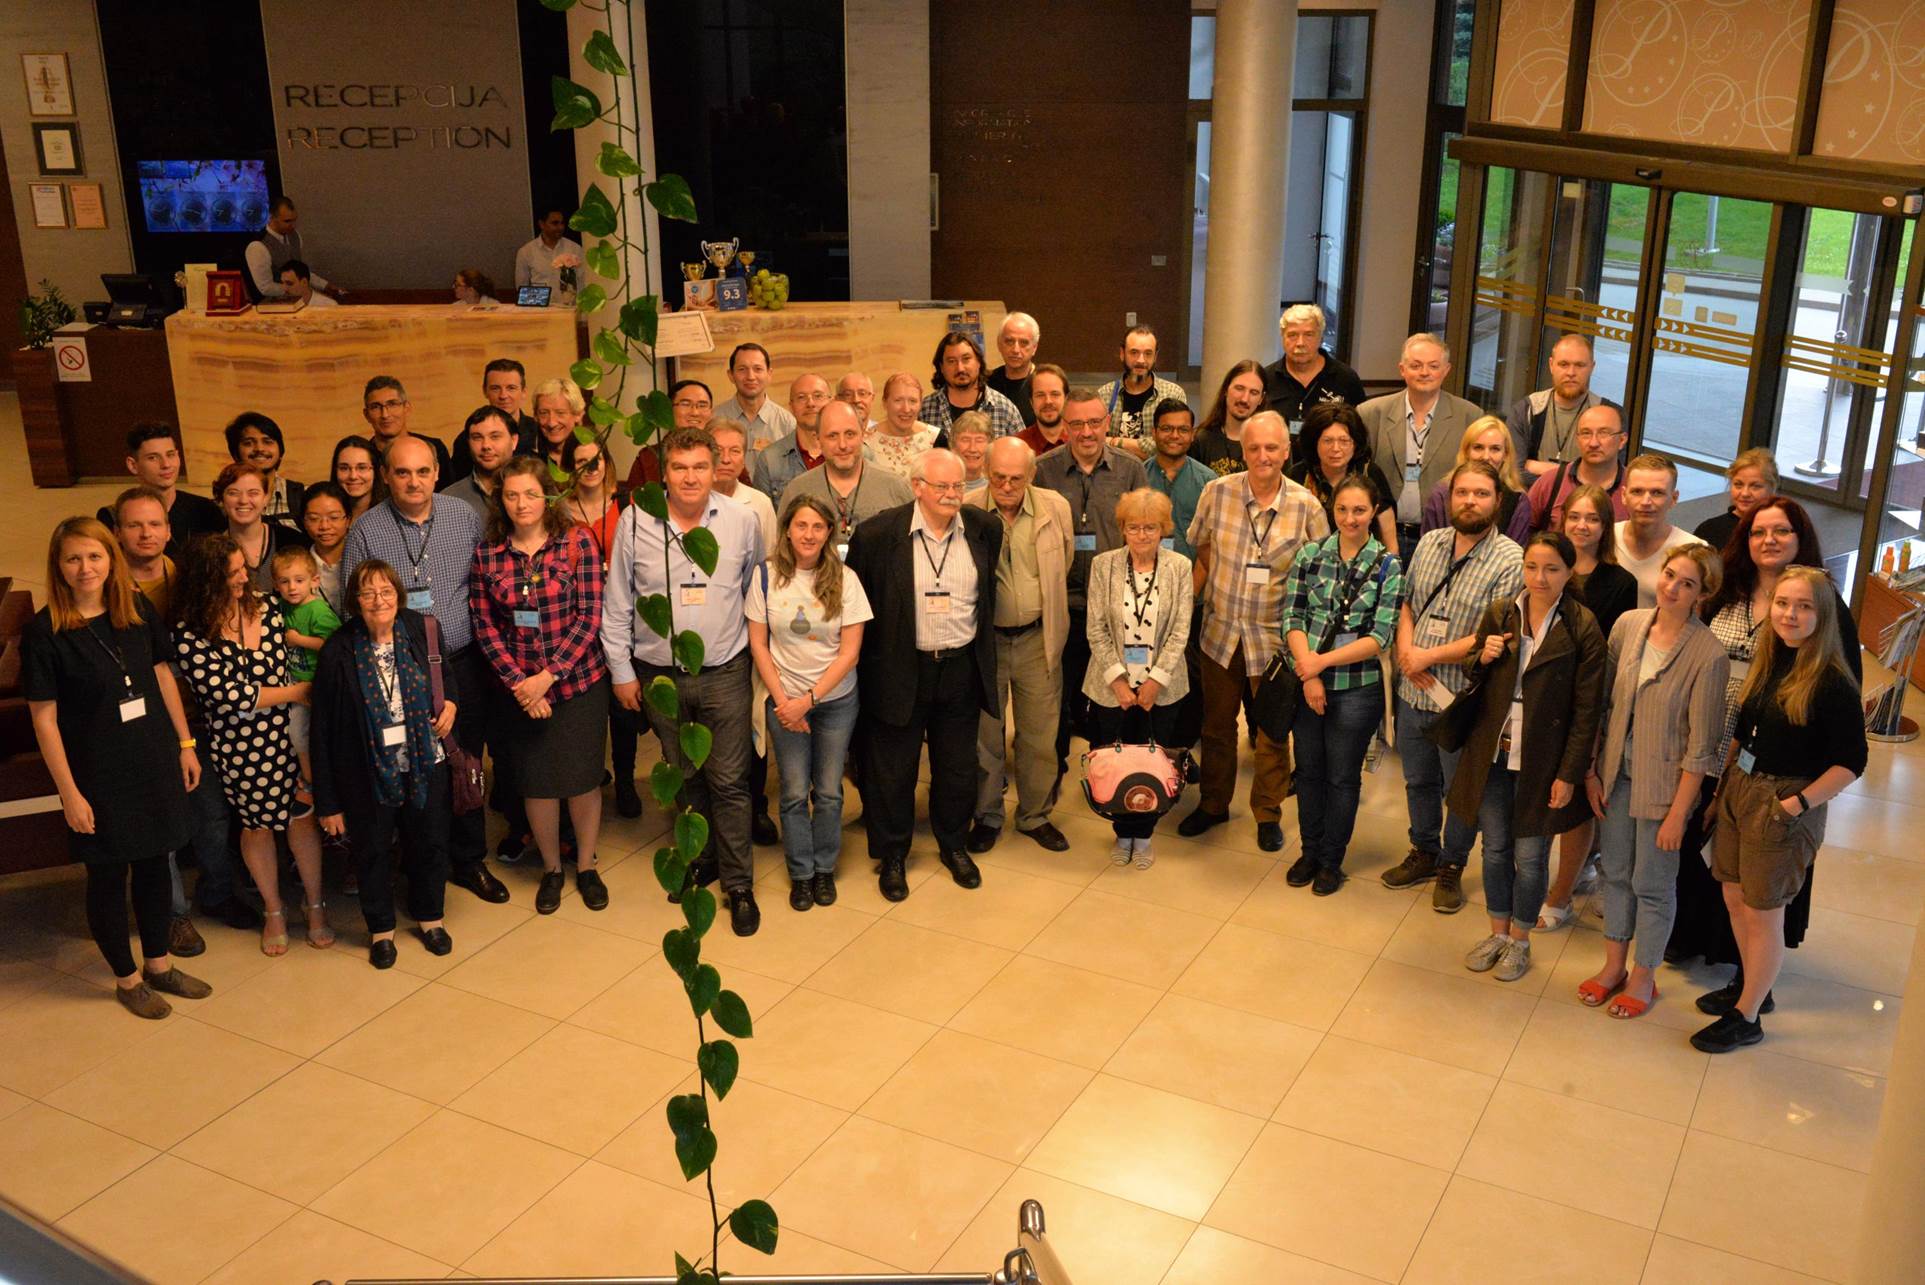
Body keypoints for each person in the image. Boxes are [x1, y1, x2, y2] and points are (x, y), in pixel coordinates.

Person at [1669, 497, 1862, 983]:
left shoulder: (1824, 606)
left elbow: (1847, 737)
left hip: (1787, 776)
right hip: (1723, 750)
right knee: (1712, 857)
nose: (1768, 541)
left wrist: (1798, 803)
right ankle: (1698, 940)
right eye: (1758, 532)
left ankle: (1750, 979)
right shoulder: (1726, 591)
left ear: (1801, 540)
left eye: (1781, 532)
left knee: (1762, 885)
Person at [25, 518, 206, 1018]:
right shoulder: (46, 631)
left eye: (95, 557)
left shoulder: (135, 609)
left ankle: (159, 965)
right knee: (107, 877)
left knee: (153, 865)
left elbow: (162, 676)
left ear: (111, 559)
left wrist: (185, 744)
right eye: (73, 559)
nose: (85, 568)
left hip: (151, 760)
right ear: (58, 567)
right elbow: (44, 720)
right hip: (96, 776)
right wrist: (69, 793)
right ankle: (127, 981)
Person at [1695, 566, 1866, 1052]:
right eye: (1783, 603)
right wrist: (1722, 790)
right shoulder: (1773, 660)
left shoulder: (1832, 681)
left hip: (1784, 803)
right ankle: (1754, 986)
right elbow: (1746, 732)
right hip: (1740, 789)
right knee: (1733, 896)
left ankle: (1746, 1015)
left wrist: (1796, 805)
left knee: (1763, 911)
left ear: (1823, 615)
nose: (1790, 614)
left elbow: (1852, 763)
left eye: (1804, 606)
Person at [603, 426, 767, 933]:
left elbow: (753, 595)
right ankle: (704, 857)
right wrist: (622, 672)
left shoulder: (742, 521)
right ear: (663, 472)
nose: (690, 477)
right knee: (684, 776)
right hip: (658, 677)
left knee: (729, 781)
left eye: (700, 466)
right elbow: (618, 603)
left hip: (725, 670)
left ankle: (739, 884)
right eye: (679, 467)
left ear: (718, 467)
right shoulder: (635, 522)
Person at [340, 435, 506, 905]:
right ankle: (419, 867)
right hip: (400, 670)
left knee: (467, 761)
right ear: (386, 475)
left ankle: (470, 860)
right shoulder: (367, 530)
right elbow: (353, 605)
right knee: (417, 767)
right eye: (402, 472)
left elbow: (484, 582)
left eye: (422, 471)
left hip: (462, 664)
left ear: (437, 473)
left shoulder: (464, 517)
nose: (413, 482)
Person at [1449, 532, 1608, 980]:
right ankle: (1497, 932)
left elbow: (1587, 709)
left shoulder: (1581, 625)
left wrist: (1570, 773)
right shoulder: (1502, 611)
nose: (1540, 577)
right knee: (1495, 847)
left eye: (1552, 568)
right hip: (1494, 752)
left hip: (1543, 759)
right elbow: (1471, 671)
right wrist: (1483, 655)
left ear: (1569, 571)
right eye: (1532, 567)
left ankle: (1520, 939)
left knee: (1532, 855)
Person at [844, 449, 1001, 900]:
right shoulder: (877, 535)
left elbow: (985, 597)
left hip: (960, 668)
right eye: (942, 487)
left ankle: (953, 844)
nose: (953, 495)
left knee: (957, 768)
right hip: (899, 668)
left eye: (959, 486)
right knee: (893, 769)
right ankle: (892, 855)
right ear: (917, 487)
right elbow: (857, 605)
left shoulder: (984, 529)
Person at [1581, 543, 1728, 1019]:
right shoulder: (1628, 626)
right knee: (1616, 874)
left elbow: (1701, 747)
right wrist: (1591, 771)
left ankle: (1645, 976)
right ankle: (1613, 967)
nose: (1672, 587)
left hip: (1665, 791)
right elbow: (1601, 707)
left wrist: (1680, 814)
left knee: (1653, 884)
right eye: (1669, 575)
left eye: (1687, 583)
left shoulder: (1709, 655)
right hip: (1615, 777)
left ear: (1702, 594)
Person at [173, 534, 332, 954]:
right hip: (241, 745)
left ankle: (315, 904)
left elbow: (304, 651)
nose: (245, 577)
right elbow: (230, 695)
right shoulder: (190, 631)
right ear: (207, 580)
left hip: (292, 735)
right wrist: (297, 691)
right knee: (257, 826)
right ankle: (274, 909)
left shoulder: (268, 606)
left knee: (303, 818)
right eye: (233, 573)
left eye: (243, 567)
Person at [1180, 411, 1329, 848]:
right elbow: (1203, 552)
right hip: (1220, 633)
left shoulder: (1306, 506)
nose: (1262, 456)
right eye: (1253, 448)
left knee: (1272, 734)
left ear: (1287, 451)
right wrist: (1185, 606)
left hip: (1275, 642)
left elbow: (1318, 579)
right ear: (1242, 451)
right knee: (1216, 727)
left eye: (1272, 448)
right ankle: (1212, 804)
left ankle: (1268, 811)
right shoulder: (1216, 492)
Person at [1380, 460, 1525, 911]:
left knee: (1459, 790)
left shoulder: (1510, 559)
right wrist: (1406, 650)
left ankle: (1452, 864)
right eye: (1463, 492)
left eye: (1481, 494)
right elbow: (1406, 602)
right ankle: (1424, 850)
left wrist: (1427, 655)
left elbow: (1495, 634)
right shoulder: (1429, 542)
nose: (1470, 501)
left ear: (1498, 502)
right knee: (1417, 779)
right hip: (1413, 688)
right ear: (1449, 497)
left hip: (1462, 698)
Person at [472, 457, 612, 915]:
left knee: (582, 780)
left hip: (577, 684)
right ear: (501, 501)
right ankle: (552, 868)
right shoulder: (488, 552)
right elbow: (485, 625)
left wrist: (547, 677)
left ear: (547, 496)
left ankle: (587, 865)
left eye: (530, 493)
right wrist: (520, 684)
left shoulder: (575, 542)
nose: (521, 503)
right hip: (521, 693)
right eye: (511, 495)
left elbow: (591, 615)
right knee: (538, 784)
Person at [311, 559, 457, 968]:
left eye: (387, 591)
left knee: (429, 843)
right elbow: (321, 730)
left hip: (426, 762)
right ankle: (381, 930)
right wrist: (328, 802)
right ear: (355, 601)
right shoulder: (339, 649)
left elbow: (449, 677)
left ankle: (431, 918)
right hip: (365, 773)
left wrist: (453, 705)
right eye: (368, 593)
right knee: (372, 851)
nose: (379, 600)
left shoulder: (421, 630)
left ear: (399, 595)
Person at [747, 494, 873, 910]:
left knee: (831, 792)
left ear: (828, 533)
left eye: (818, 527)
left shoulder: (845, 578)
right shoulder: (766, 577)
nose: (809, 534)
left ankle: (824, 870)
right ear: (787, 530)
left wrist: (810, 699)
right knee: (795, 791)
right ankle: (801, 873)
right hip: (783, 701)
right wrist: (786, 701)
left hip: (836, 702)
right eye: (801, 525)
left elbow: (849, 652)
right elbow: (759, 646)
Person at [1282, 476, 1403, 895]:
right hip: (1308, 681)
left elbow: (1381, 635)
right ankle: (1310, 851)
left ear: (1373, 512)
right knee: (1309, 772)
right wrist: (1310, 672)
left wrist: (1321, 663)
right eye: (1342, 510)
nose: (1350, 518)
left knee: (1342, 777)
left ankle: (1332, 859)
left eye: (1360, 510)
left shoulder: (1388, 565)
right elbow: (1291, 618)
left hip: (1357, 688)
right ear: (1331, 510)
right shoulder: (1311, 555)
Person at [1035, 387, 1150, 804]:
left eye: (1094, 422)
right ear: (1065, 427)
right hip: (1059, 604)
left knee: (1109, 697)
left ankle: (1107, 777)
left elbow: (1143, 534)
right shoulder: (1041, 470)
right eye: (1077, 423)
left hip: (1111, 608)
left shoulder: (1131, 470)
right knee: (1056, 699)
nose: (1086, 432)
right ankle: (1051, 777)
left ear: (1108, 423)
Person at [1535, 484, 1640, 929]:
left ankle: (1560, 895)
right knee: (1539, 796)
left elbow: (1610, 653)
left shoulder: (1620, 583)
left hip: (1586, 699)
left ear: (1605, 526)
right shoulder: (1547, 567)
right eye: (1574, 517)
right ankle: (1539, 881)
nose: (1582, 525)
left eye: (1592, 519)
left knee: (1575, 800)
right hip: (1539, 698)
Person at [967, 437, 1073, 853]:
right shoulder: (968, 509)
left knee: (1039, 737)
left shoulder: (1055, 509)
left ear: (1031, 476)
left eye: (1015, 478)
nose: (1006, 486)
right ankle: (987, 816)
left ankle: (1034, 816)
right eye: (998, 478)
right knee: (985, 738)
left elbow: (1062, 563)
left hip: (1037, 640)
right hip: (985, 643)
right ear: (986, 474)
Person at [1083, 489, 1193, 867]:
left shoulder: (1179, 567)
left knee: (1152, 764)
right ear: (1122, 529)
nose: (1142, 535)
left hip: (1161, 688)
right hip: (1110, 685)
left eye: (1150, 527)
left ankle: (1144, 836)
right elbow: (1095, 628)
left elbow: (1181, 631)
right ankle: (1121, 830)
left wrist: (1154, 681)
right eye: (1134, 527)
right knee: (1116, 764)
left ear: (1163, 529)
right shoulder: (1104, 566)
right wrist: (1117, 680)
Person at [1361, 333, 1491, 553]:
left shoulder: (1470, 416)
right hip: (1380, 536)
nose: (1424, 373)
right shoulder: (1370, 413)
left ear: (1446, 370)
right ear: (1402, 369)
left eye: (1433, 366)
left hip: (1442, 538)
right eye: (1416, 365)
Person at [779, 401, 912, 558]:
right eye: (832, 436)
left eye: (850, 434)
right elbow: (782, 553)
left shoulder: (895, 487)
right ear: (818, 439)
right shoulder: (797, 490)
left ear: (863, 433)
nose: (842, 445)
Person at [273, 545, 342, 802]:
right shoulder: (282, 606)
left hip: (318, 683)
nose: (292, 587)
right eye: (285, 581)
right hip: (294, 681)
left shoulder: (318, 610)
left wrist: (300, 639)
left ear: (314, 581)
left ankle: (313, 781)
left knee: (301, 733)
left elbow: (334, 645)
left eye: (299, 581)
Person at [97, 423, 225, 556]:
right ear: (133, 465)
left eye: (170, 455)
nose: (166, 464)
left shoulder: (205, 510)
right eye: (153, 458)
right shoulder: (114, 516)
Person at [1287, 403, 1398, 554]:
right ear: (1314, 443)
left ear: (1355, 443)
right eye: (1327, 441)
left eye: (1344, 441)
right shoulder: (1298, 475)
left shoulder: (1369, 473)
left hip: (1365, 565)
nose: (1336, 449)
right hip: (1310, 564)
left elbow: (1390, 542)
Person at [1506, 334, 1618, 476]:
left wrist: (1536, 466)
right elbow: (1514, 475)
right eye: (1564, 364)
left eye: (1579, 365)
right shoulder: (1526, 410)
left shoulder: (1610, 416)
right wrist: (1578, 475)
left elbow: (1608, 477)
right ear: (1551, 365)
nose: (1571, 373)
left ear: (1592, 367)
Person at [1420, 414, 1535, 543]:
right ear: (1466, 451)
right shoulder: (1441, 494)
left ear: (1506, 455)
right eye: (1478, 447)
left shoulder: (1518, 501)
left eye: (1495, 449)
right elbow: (1430, 547)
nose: (1486, 456)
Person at [1614, 454, 1707, 606]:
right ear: (1624, 495)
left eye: (1657, 493)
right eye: (1637, 491)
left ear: (1674, 498)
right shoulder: (1605, 538)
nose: (1646, 502)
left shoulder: (1694, 551)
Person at [1262, 304, 1367, 438]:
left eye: (1309, 335)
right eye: (1292, 335)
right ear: (1283, 339)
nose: (1300, 343)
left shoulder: (1345, 378)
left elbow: (1359, 432)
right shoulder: (1267, 379)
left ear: (1321, 339)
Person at [1523, 403, 1629, 533]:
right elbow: (1521, 534)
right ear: (1577, 439)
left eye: (1603, 433)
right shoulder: (1550, 483)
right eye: (1586, 433)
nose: (1593, 443)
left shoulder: (1634, 488)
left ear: (1622, 440)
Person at [216, 462, 308, 594]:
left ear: (266, 498)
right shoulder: (212, 551)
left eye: (253, 493)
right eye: (233, 493)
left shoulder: (293, 540)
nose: (243, 500)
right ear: (221, 499)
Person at [1095, 325, 1186, 456]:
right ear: (1122, 354)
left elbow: (1171, 445)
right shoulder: (1105, 395)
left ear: (1155, 356)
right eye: (1134, 353)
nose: (1141, 360)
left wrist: (1115, 442)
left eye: (1148, 353)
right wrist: (1147, 445)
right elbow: (1095, 442)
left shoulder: (1173, 394)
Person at [920, 331, 1024, 440]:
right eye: (951, 361)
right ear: (941, 367)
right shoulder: (925, 410)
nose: (960, 368)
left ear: (979, 362)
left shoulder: (1005, 409)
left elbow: (1023, 453)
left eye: (966, 359)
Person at [1144, 401, 1216, 559]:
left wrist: (1192, 584)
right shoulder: (1139, 477)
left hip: (1193, 576)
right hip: (1144, 575)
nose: (1174, 435)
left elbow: (1211, 545)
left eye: (1183, 430)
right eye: (1166, 429)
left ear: (1192, 435)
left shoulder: (1209, 482)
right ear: (1154, 432)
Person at [449, 359, 540, 480]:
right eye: (495, 388)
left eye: (511, 388)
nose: (503, 396)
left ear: (523, 392)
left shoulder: (539, 433)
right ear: (485, 391)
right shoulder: (466, 440)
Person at [751, 373, 834, 497]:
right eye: (801, 397)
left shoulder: (852, 453)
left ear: (831, 402)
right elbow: (763, 514)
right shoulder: (769, 459)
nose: (810, 403)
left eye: (818, 396)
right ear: (791, 407)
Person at [625, 379, 717, 489]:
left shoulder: (724, 452)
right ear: (668, 409)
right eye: (686, 404)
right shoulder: (649, 457)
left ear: (711, 412)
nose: (695, 412)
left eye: (702, 405)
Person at [244, 195, 336, 302]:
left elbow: (301, 273)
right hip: (271, 305)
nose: (293, 225)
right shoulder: (258, 246)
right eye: (287, 221)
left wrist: (325, 286)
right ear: (271, 218)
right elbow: (265, 288)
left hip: (297, 300)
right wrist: (301, 290)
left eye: (294, 220)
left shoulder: (295, 236)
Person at [362, 376, 452, 479]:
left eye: (392, 404)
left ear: (406, 408)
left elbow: (449, 493)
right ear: (366, 415)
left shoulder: (434, 448)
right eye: (376, 407)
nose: (385, 415)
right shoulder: (362, 458)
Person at [1694, 447, 1779, 553]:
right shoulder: (1709, 530)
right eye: (1738, 485)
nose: (1745, 493)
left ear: (1772, 488)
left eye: (1755, 486)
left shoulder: (1783, 531)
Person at [444, 405, 520, 522]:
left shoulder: (537, 491)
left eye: (495, 436)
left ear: (514, 441)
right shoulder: (449, 499)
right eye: (477, 438)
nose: (486, 446)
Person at [1191, 360, 1266, 477]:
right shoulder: (1201, 440)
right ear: (1226, 389)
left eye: (1254, 392)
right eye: (1239, 388)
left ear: (1261, 398)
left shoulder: (1269, 443)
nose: (1244, 399)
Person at [718, 342, 797, 453]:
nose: (750, 376)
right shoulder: (715, 418)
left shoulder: (787, 423)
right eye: (742, 369)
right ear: (731, 375)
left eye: (758, 369)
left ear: (769, 374)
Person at [222, 411, 300, 521]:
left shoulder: (301, 496)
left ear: (281, 450)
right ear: (235, 453)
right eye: (248, 443)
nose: (259, 449)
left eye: (267, 441)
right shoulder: (223, 502)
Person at [866, 373, 940, 480]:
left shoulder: (936, 439)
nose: (906, 409)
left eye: (913, 401)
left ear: (920, 404)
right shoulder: (866, 442)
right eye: (898, 400)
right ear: (885, 403)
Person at [563, 437, 625, 561]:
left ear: (606, 463)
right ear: (571, 467)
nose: (591, 469)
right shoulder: (560, 511)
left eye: (596, 459)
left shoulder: (626, 505)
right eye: (581, 461)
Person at [984, 312, 1040, 425]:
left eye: (1024, 343)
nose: (1015, 349)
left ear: (1034, 348)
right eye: (1009, 341)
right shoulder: (986, 382)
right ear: (999, 344)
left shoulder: (1045, 383)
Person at [515, 208, 584, 297]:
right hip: (541, 308)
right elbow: (522, 288)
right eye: (555, 223)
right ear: (542, 224)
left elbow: (582, 281)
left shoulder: (574, 248)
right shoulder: (526, 252)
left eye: (562, 223)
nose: (560, 227)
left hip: (570, 307)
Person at [532, 376, 589, 474]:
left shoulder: (592, 453)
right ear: (535, 416)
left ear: (578, 414)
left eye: (560, 413)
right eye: (543, 413)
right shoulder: (527, 456)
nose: (551, 423)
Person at [1015, 364, 1071, 457]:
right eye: (1040, 395)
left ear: (1066, 399)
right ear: (1031, 402)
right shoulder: (1019, 446)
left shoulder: (1081, 441)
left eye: (1055, 394)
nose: (1048, 401)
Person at [332, 435, 381, 522]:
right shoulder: (326, 515)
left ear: (375, 470)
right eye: (344, 468)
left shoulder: (391, 513)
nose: (353, 476)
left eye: (362, 468)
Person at [951, 411, 993, 493]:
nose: (972, 448)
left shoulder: (998, 487)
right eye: (965, 440)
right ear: (953, 445)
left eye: (979, 440)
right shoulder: (941, 484)